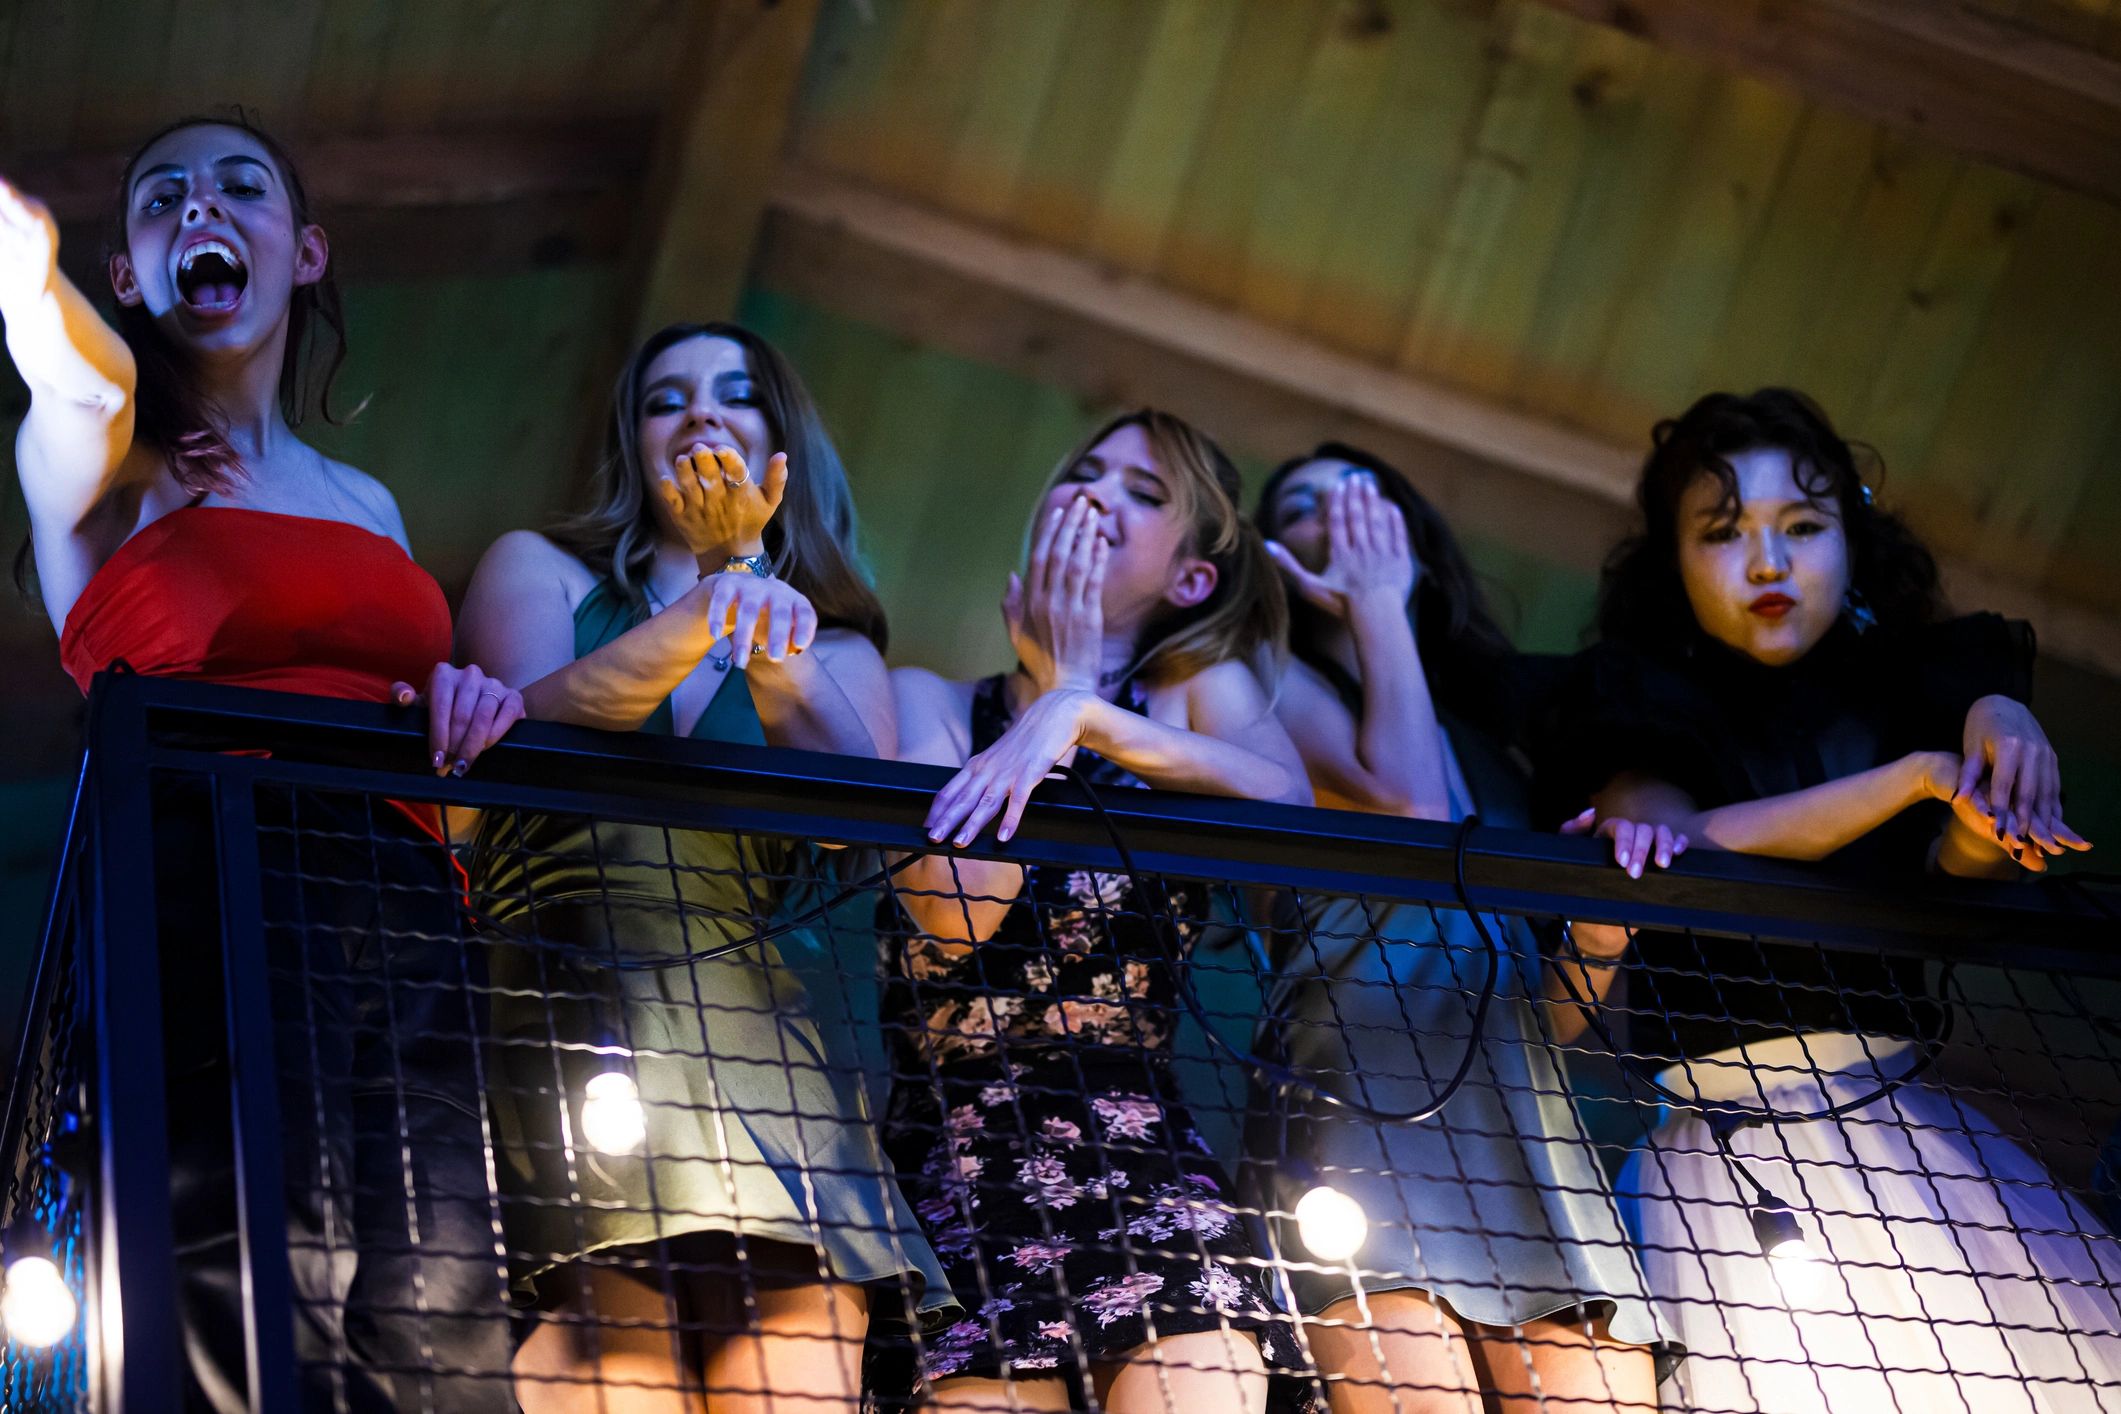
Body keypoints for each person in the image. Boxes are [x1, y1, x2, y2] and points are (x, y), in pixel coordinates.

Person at [1, 116, 518, 1409]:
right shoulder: (111, 463)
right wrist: (25, 274)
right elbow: (74, 387)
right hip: (214, 874)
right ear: (128, 273)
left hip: (403, 900)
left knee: (439, 1281)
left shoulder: (368, 499)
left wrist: (451, 689)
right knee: (260, 1255)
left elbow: (394, 665)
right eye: (163, 199)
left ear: (305, 250)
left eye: (239, 187)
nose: (200, 208)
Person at [1538, 388, 2120, 1413]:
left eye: (1802, 527)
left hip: (1899, 1125)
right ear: (1672, 563)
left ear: (1855, 540)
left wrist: (1993, 778)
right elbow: (1679, 844)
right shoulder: (1633, 700)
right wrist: (1916, 775)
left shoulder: (1914, 683)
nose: (1768, 561)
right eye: (1725, 533)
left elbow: (1962, 868)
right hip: (1727, 1169)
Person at [456, 322, 948, 1413]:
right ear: (631, 442)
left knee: (801, 1340)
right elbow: (529, 728)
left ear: (783, 440)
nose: (701, 413)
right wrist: (710, 600)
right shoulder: (536, 568)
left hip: (783, 1048)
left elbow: (848, 814)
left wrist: (753, 592)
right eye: (665, 398)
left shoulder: (846, 649)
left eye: (735, 392)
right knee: (606, 1343)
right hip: (587, 1012)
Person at [880, 409, 1311, 1413]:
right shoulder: (930, 700)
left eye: (1142, 490)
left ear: (1190, 580)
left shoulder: (1204, 692)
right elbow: (952, 914)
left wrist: (1083, 708)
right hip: (960, 1150)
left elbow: (1289, 809)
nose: (1095, 491)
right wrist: (1054, 700)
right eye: (1084, 470)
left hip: (1145, 1154)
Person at [1247, 445, 1664, 1414]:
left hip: (1533, 1133)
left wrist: (1597, 945)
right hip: (1361, 1119)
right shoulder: (1263, 686)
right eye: (1304, 507)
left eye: (1365, 503)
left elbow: (1542, 1021)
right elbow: (1416, 810)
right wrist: (1379, 603)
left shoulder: (1504, 749)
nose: (1338, 522)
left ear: (1414, 538)